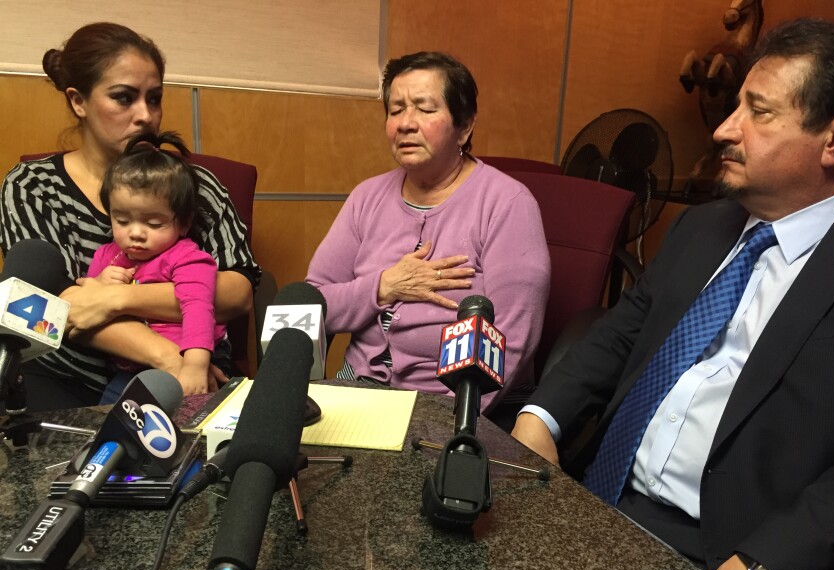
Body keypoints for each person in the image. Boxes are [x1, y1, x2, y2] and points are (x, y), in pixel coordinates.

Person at [512, 17, 834, 570]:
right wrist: (540, 416)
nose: (722, 129)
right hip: (598, 497)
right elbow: (621, 330)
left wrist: (770, 566)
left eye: (757, 112)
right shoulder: (703, 226)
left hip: (724, 556)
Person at [0, 22, 259, 411]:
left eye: (154, 99)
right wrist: (167, 356)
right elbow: (61, 310)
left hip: (190, 370)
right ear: (79, 101)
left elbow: (238, 291)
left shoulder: (195, 183)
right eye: (124, 98)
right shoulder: (31, 186)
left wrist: (116, 297)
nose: (145, 116)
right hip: (66, 378)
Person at [306, 52, 550, 413]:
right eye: (396, 109)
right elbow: (312, 305)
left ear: (464, 126)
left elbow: (510, 341)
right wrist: (383, 286)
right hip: (356, 389)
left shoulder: (507, 203)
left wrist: (446, 426)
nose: (405, 123)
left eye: (424, 108)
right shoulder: (366, 197)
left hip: (454, 405)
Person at [88, 131, 224, 401]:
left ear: (184, 223)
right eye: (123, 220)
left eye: (153, 224)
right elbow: (86, 300)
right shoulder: (107, 255)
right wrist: (100, 283)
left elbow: (198, 309)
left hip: (190, 360)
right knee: (109, 423)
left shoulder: (186, 257)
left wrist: (195, 366)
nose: (136, 233)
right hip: (128, 366)